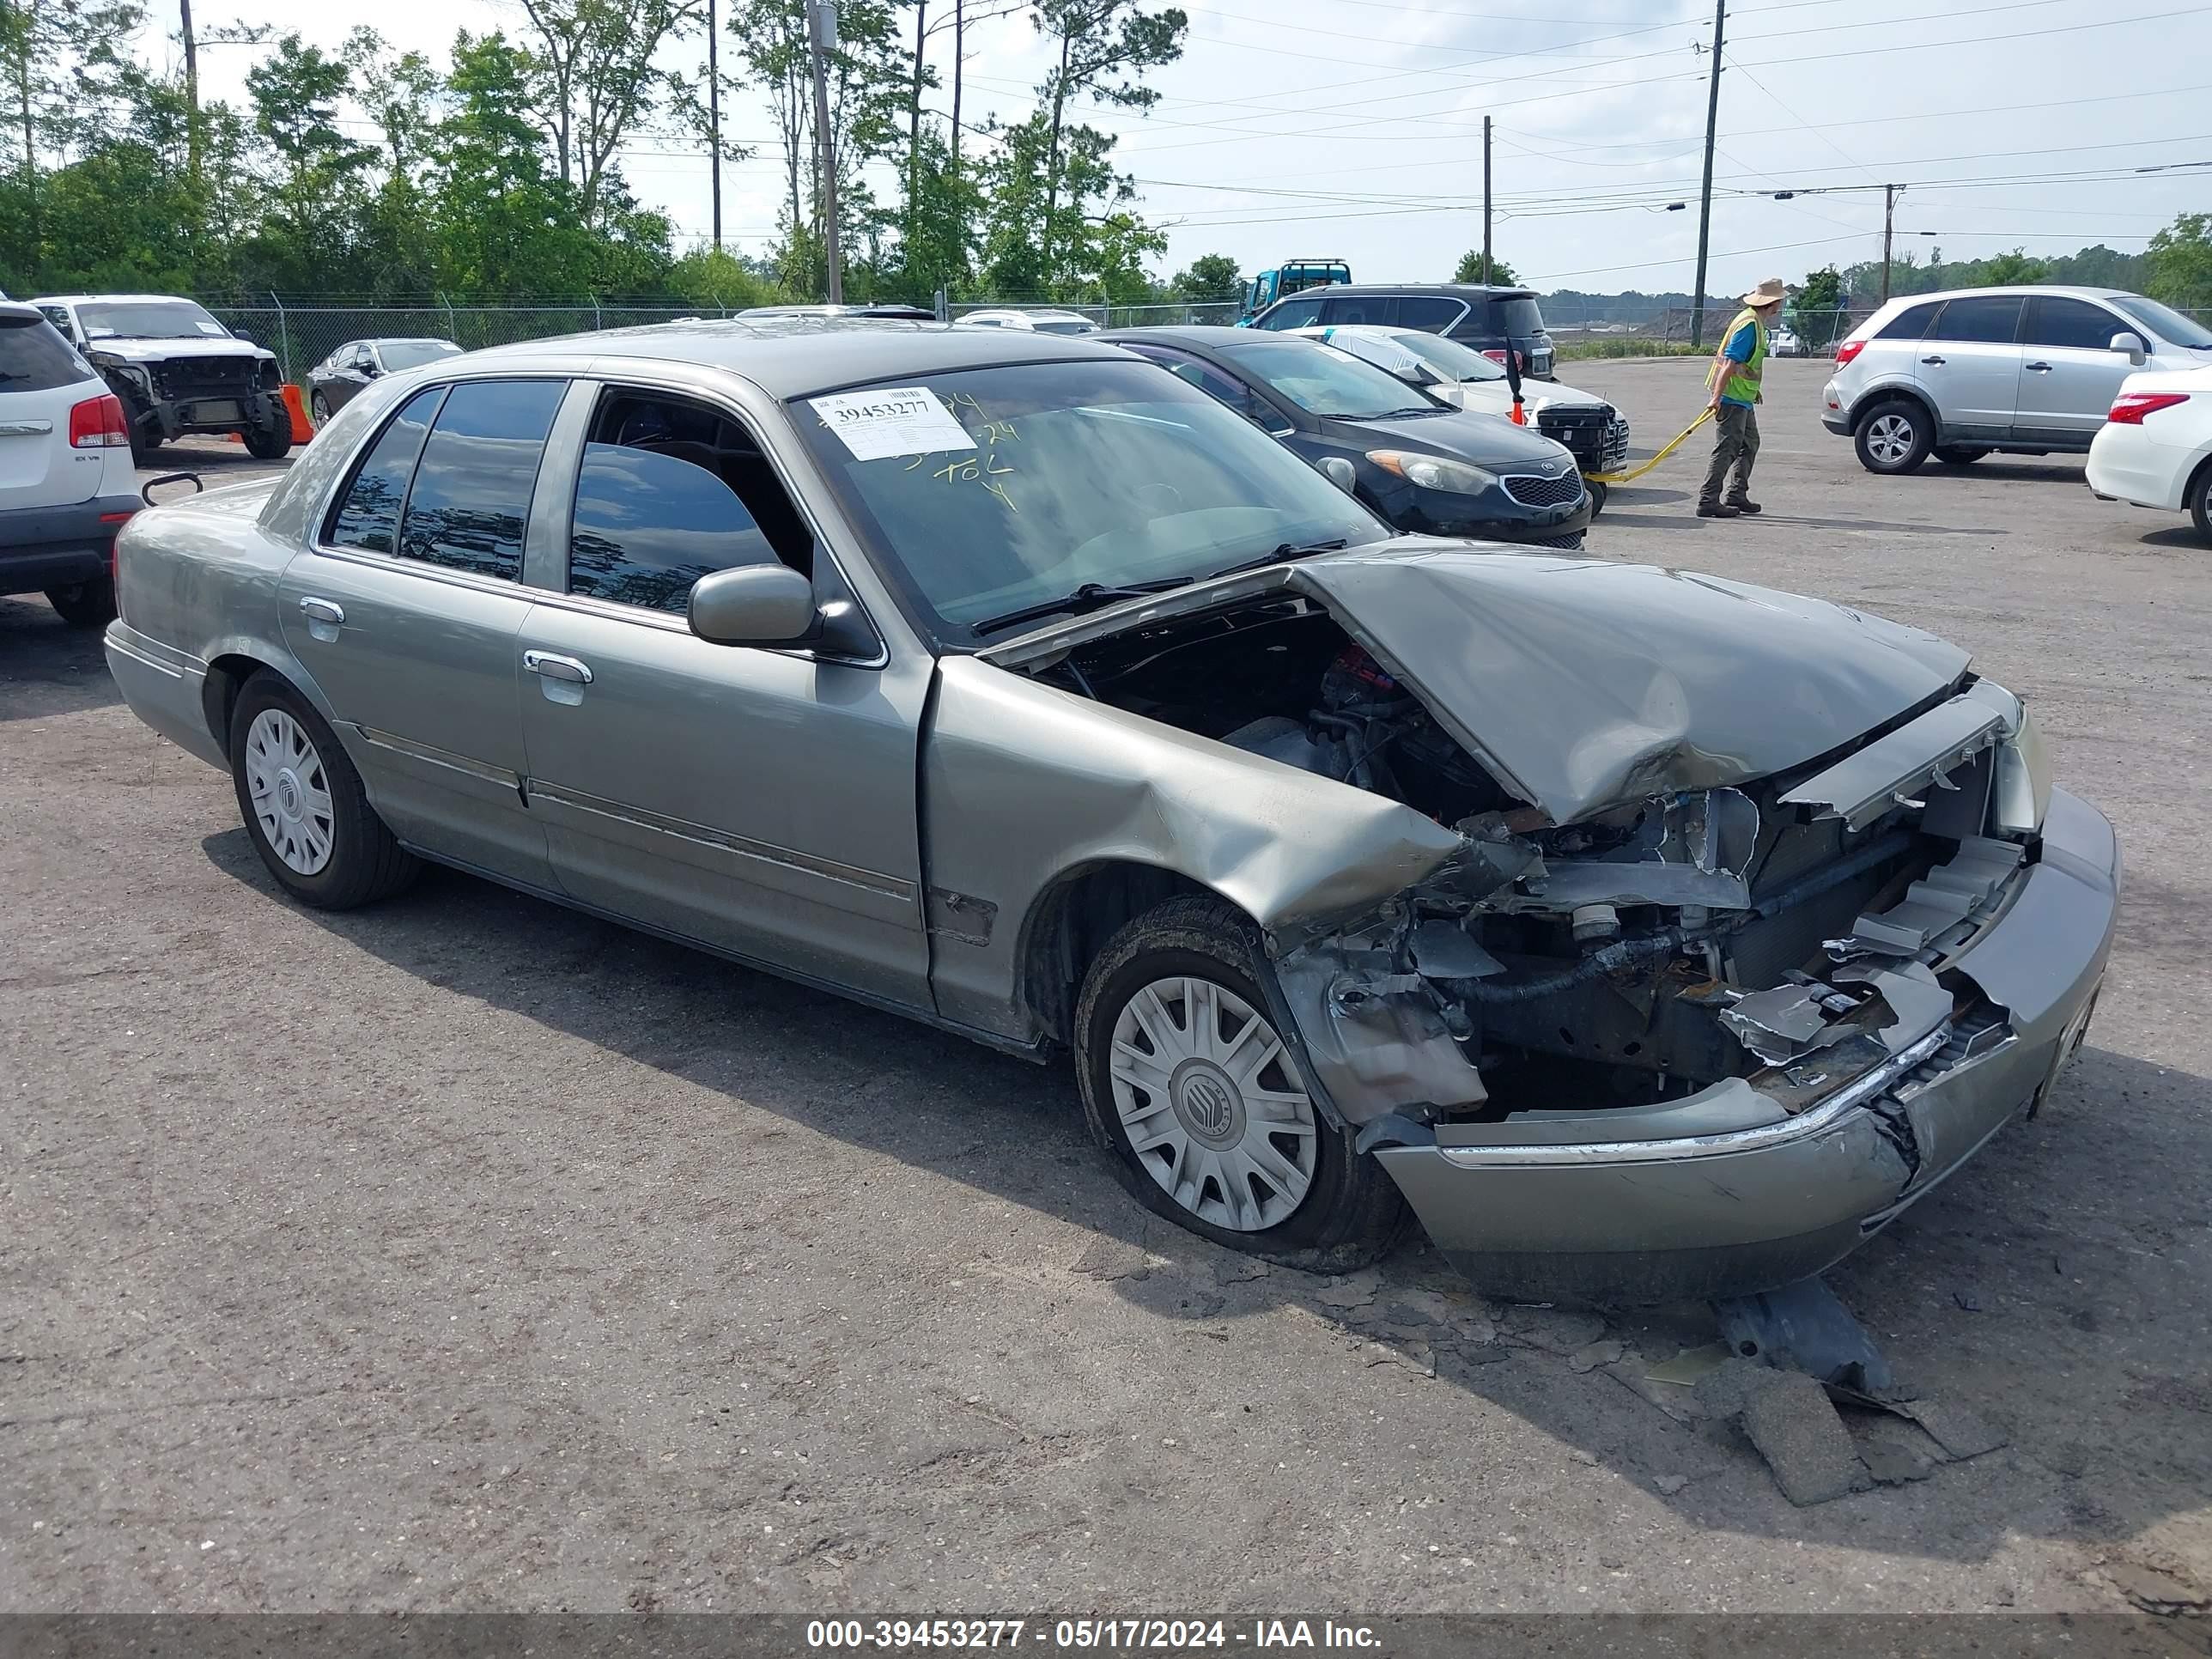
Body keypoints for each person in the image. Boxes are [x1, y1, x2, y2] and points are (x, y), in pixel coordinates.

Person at [1698, 276, 1785, 520]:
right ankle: (1708, 500)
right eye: (1779, 301)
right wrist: (1716, 397)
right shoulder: (1749, 325)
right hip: (1731, 398)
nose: (1780, 306)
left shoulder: (1755, 321)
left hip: (1742, 397)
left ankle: (1737, 494)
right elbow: (1729, 363)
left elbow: (1745, 365)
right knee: (1727, 449)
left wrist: (1752, 389)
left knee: (1749, 444)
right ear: (1773, 303)